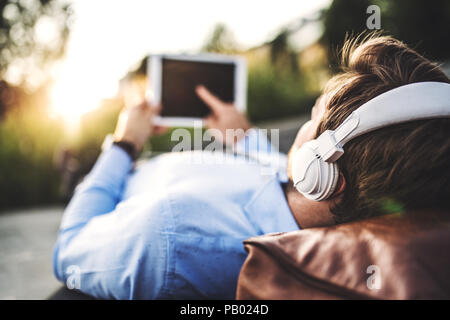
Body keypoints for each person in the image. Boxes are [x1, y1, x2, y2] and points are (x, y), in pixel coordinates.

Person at [53, 35, 450, 299]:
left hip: (108, 187)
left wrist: (124, 144)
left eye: (316, 115)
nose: (312, 114)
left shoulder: (170, 236)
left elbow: (69, 245)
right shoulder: (316, 194)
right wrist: (245, 137)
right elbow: (281, 170)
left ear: (322, 173)